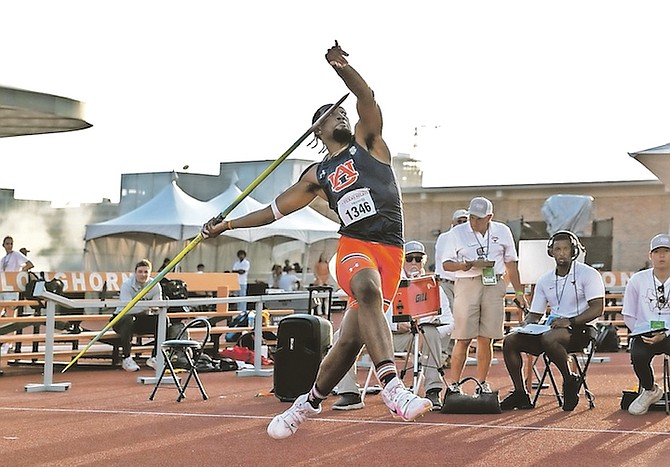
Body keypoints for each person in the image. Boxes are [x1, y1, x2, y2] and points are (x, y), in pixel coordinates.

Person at [202, 41, 431, 439]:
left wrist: (342, 66)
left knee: (348, 344)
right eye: (332, 114)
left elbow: (366, 96)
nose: (341, 114)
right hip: (355, 246)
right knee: (366, 288)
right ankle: (393, 387)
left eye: (341, 112)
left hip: (390, 249)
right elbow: (274, 211)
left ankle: (305, 404)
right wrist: (227, 225)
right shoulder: (317, 174)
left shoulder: (370, 144)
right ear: (317, 129)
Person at [332, 241, 453, 411]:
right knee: (341, 335)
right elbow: (375, 313)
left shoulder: (433, 286)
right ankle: (349, 393)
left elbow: (449, 322)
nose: (413, 263)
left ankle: (433, 390)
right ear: (402, 260)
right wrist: (397, 325)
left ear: (423, 262)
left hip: (415, 336)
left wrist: (425, 326)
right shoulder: (387, 281)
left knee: (430, 331)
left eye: (418, 259)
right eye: (409, 259)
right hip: (382, 334)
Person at [500, 231, 605, 411]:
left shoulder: (589, 274)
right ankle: (520, 393)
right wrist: (527, 324)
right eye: (557, 249)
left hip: (582, 329)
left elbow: (597, 308)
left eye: (566, 249)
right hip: (551, 330)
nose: (562, 253)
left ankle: (569, 379)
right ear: (551, 252)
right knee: (511, 340)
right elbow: (535, 314)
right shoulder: (545, 279)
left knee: (550, 337)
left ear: (574, 251)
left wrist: (570, 321)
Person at [441, 196, 527, 394]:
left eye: (479, 218)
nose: (474, 222)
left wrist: (520, 292)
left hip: (493, 282)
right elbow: (446, 264)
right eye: (472, 217)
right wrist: (466, 265)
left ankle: (481, 383)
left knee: (486, 337)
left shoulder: (503, 231)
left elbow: (511, 264)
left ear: (490, 217)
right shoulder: (457, 232)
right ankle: (454, 385)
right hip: (467, 282)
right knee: (462, 337)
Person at [622, 233, 670, 415]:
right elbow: (628, 313)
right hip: (645, 332)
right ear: (650, 255)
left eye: (666, 251)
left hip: (669, 333)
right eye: (657, 252)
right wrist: (639, 331)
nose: (662, 255)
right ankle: (650, 390)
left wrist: (665, 333)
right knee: (638, 354)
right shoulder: (637, 280)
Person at [112, 259, 165, 372]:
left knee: (163, 320)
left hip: (142, 319)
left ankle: (155, 357)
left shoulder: (155, 285)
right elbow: (128, 308)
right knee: (128, 319)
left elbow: (157, 306)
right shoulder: (127, 285)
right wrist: (148, 306)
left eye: (146, 272)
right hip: (121, 319)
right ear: (135, 272)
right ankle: (126, 358)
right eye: (140, 272)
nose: (143, 275)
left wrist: (150, 307)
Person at [434, 208, 468, 367]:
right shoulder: (445, 237)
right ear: (452, 223)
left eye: (465, 221)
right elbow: (448, 262)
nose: (462, 224)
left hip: (464, 284)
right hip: (446, 283)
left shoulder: (470, 238)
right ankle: (441, 353)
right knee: (448, 319)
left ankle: (449, 354)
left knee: (460, 320)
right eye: (459, 221)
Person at [1, 236, 35, 316]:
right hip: (3, 288)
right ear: (4, 245)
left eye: (11, 244)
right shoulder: (3, 259)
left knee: (10, 313)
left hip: (12, 288)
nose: (9, 246)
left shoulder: (16, 254)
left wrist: (21, 271)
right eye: (7, 244)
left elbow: (30, 264)